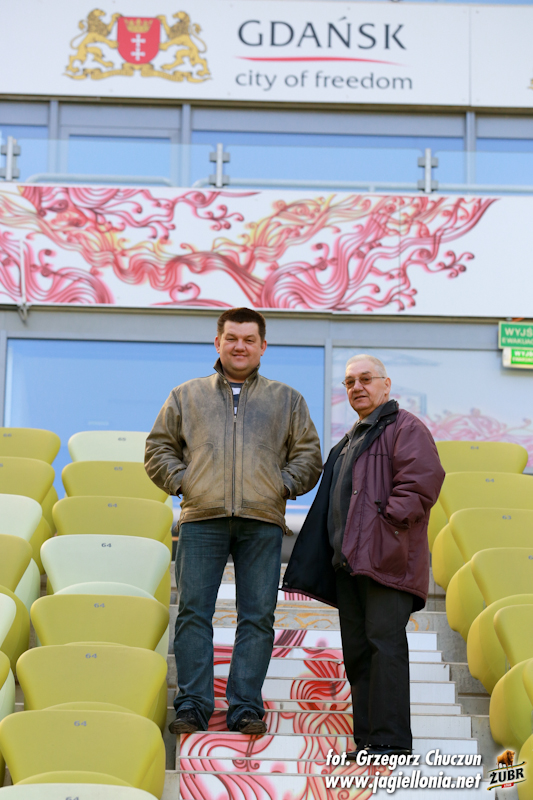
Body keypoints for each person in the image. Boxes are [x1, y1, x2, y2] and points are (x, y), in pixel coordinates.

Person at [145, 307, 322, 736]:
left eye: (248, 340)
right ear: (218, 343)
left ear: (263, 346)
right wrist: (186, 482)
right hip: (201, 519)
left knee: (257, 616)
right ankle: (192, 705)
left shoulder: (288, 399)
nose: (239, 346)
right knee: (193, 614)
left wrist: (280, 486)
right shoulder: (186, 395)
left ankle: (244, 707)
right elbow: (157, 450)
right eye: (232, 338)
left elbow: (309, 455)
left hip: (262, 520)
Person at [283, 354, 444, 757]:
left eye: (366, 379)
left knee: (384, 647)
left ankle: (390, 740)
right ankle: (369, 740)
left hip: (386, 559)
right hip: (350, 564)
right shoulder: (350, 439)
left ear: (386, 385)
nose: (357, 387)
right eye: (350, 382)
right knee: (358, 652)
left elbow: (422, 482)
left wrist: (385, 525)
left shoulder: (406, 427)